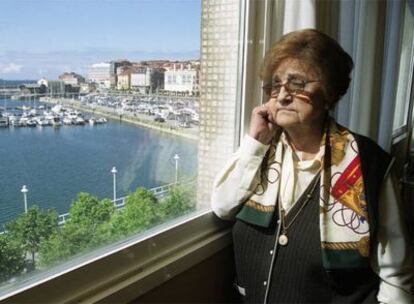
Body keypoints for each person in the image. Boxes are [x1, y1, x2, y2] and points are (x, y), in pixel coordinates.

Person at [211, 29, 414, 303]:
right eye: (275, 85)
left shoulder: (369, 164)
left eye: (297, 84)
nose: (282, 96)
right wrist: (255, 141)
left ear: (329, 92)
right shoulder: (260, 151)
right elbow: (223, 207)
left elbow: (396, 274)